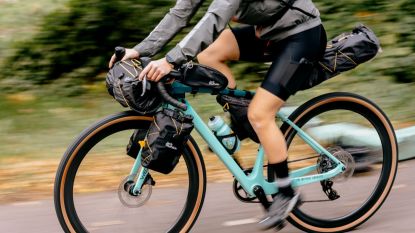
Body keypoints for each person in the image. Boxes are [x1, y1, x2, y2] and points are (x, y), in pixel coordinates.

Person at [109, 0, 326, 230]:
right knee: (209, 54)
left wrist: (170, 60)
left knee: (260, 114)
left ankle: (286, 191)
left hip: (301, 35)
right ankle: (242, 120)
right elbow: (180, 13)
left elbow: (215, 18)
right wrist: (140, 50)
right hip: (269, 33)